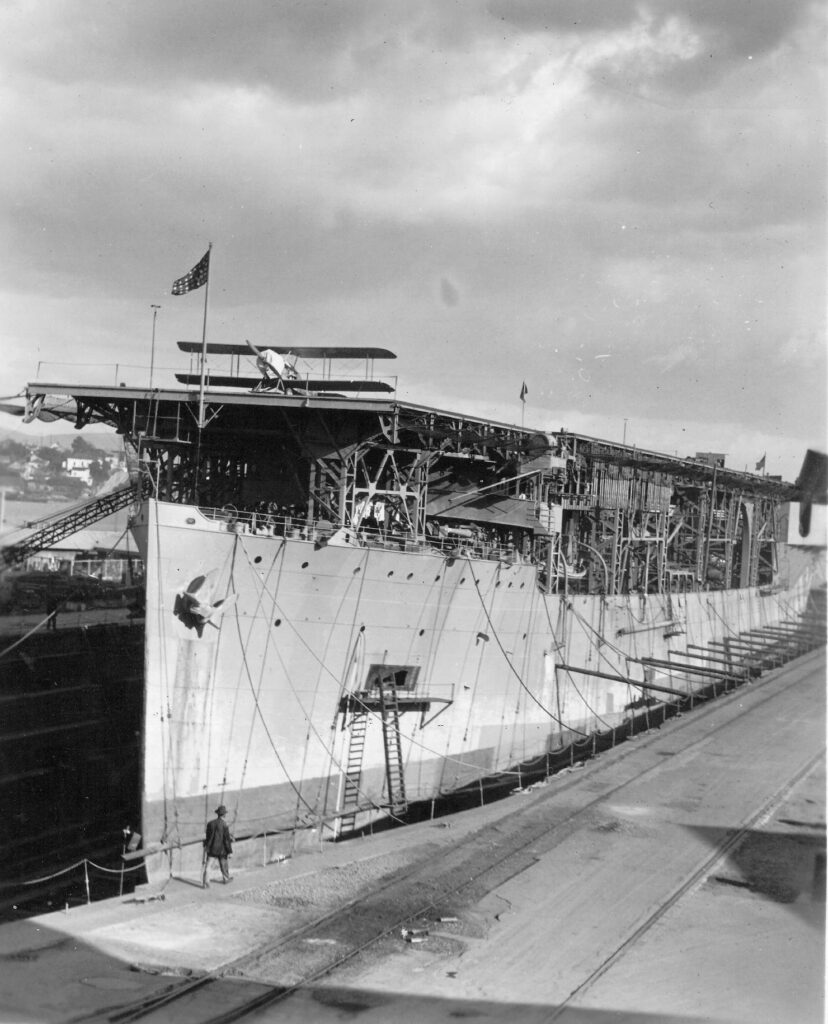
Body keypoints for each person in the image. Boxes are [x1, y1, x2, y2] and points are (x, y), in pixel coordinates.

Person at [202, 804, 233, 887]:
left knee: (208, 866)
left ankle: (206, 882)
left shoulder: (210, 824)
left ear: (218, 814)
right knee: (223, 864)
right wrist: (230, 851)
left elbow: (207, 837)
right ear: (224, 814)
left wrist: (206, 846)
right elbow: (226, 840)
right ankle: (226, 879)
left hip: (211, 848)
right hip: (221, 849)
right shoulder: (224, 824)